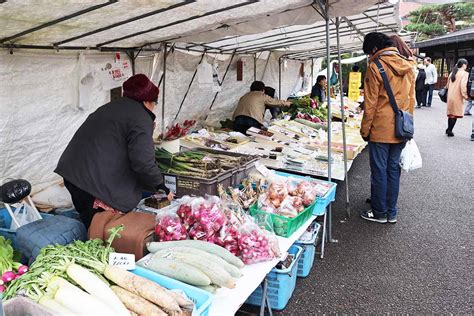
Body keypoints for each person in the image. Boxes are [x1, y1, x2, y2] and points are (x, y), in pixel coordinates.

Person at [55, 74, 168, 228]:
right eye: (155, 102)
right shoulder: (141, 117)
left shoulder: (111, 107)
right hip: (92, 182)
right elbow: (143, 161)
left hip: (73, 173)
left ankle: (91, 240)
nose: (154, 106)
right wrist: (161, 185)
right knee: (101, 229)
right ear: (147, 101)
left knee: (91, 224)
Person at [360, 32, 415, 224]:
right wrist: (408, 126)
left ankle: (379, 212)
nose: (369, 56)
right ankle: (391, 212)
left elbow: (370, 105)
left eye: (368, 52)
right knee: (393, 170)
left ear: (374, 49)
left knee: (379, 171)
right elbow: (411, 100)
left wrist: (365, 130)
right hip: (401, 128)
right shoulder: (407, 65)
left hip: (381, 129)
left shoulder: (375, 67)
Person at [445, 58, 469, 137]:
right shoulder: (464, 74)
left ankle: (448, 129)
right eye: (466, 64)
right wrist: (465, 96)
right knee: (454, 115)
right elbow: (463, 86)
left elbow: (447, 85)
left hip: (450, 96)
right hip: (457, 96)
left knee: (451, 114)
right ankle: (450, 130)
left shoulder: (452, 72)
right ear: (463, 65)